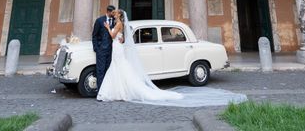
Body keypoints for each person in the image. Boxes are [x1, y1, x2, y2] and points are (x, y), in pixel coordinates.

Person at [96, 9, 247, 106]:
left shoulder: (118, 24)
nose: (113, 15)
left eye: (115, 14)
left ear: (119, 16)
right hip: (117, 49)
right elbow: (123, 38)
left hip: (117, 49)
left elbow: (115, 35)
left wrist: (109, 29)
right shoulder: (123, 25)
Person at [92, 4, 116, 92]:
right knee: (100, 71)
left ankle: (107, 90)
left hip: (111, 50)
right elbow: (94, 35)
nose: (114, 14)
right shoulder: (99, 21)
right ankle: (100, 91)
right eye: (113, 12)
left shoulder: (115, 21)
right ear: (108, 12)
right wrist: (96, 48)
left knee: (108, 71)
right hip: (101, 50)